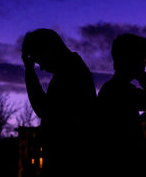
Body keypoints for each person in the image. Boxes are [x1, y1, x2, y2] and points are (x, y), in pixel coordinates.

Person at [21, 29, 97, 177]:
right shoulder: (71, 69)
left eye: (40, 60)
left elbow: (44, 110)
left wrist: (30, 72)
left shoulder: (70, 73)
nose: (41, 67)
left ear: (49, 49)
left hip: (67, 165)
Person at [97, 33, 146, 177]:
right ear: (131, 59)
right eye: (143, 58)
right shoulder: (119, 91)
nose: (145, 64)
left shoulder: (116, 89)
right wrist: (144, 77)